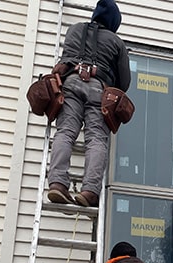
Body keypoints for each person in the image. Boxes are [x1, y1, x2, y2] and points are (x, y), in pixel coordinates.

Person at [47, 0, 131, 207]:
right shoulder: (116, 42)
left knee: (65, 132)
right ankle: (89, 191)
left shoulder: (74, 29)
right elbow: (125, 82)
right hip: (98, 89)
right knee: (96, 139)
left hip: (71, 83)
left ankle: (57, 184)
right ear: (113, 22)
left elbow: (66, 59)